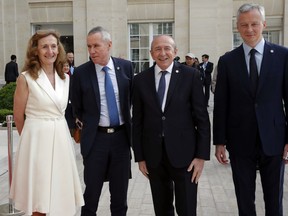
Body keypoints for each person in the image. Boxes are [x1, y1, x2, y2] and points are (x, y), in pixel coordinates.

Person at [213, 3, 288, 216]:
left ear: (264, 24)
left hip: (274, 138)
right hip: (239, 140)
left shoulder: (282, 56)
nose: (250, 29)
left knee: (274, 200)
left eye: (254, 24)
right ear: (237, 27)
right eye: (244, 25)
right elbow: (221, 103)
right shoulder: (228, 61)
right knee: (244, 200)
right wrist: (219, 141)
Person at [132, 35, 211, 216]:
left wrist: (201, 156)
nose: (163, 53)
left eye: (167, 48)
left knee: (187, 209)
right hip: (154, 156)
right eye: (157, 49)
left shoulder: (191, 76)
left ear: (175, 52)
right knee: (162, 209)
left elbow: (202, 119)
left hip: (186, 157)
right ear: (151, 53)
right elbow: (137, 121)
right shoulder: (140, 80)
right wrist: (140, 157)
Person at [10, 29, 84, 216]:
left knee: (59, 194)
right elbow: (18, 116)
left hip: (60, 139)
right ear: (35, 50)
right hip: (36, 141)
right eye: (44, 47)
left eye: (53, 46)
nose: (50, 51)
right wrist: (29, 142)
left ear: (58, 50)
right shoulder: (25, 78)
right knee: (39, 197)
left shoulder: (64, 78)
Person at [72, 26, 134, 215]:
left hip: (121, 139)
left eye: (96, 46)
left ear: (109, 45)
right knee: (91, 196)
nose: (91, 51)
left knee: (120, 197)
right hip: (95, 141)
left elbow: (130, 100)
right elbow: (76, 106)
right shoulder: (81, 73)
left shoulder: (125, 67)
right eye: (89, 46)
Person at [62, 59, 76, 136]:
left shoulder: (72, 77)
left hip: (71, 102)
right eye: (64, 66)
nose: (66, 67)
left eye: (67, 66)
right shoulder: (58, 77)